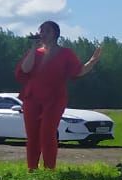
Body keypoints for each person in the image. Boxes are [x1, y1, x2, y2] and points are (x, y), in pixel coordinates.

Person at [16, 20, 102, 171]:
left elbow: (78, 71)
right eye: (41, 30)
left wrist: (92, 62)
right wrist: (32, 49)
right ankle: (32, 170)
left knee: (47, 134)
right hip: (32, 97)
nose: (42, 33)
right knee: (32, 136)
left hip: (54, 99)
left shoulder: (65, 53)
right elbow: (25, 69)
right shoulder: (35, 52)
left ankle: (49, 169)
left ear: (55, 34)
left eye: (47, 31)